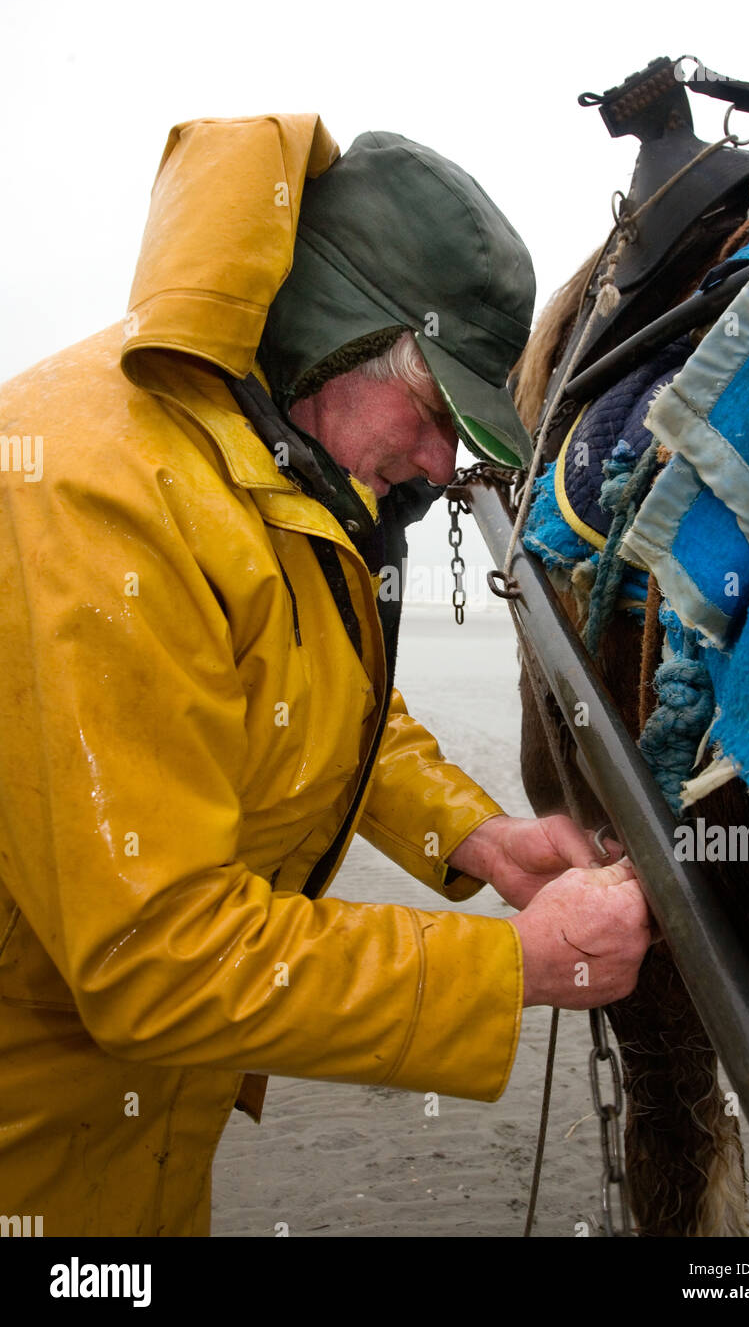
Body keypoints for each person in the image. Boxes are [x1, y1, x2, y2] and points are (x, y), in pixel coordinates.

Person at [0, 114, 652, 1236]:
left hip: (143, 1123)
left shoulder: (265, 469)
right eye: (439, 414)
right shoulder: (94, 493)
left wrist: (478, 837)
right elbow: (154, 955)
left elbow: (328, 702)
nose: (447, 468)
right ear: (343, 333)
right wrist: (509, 970)